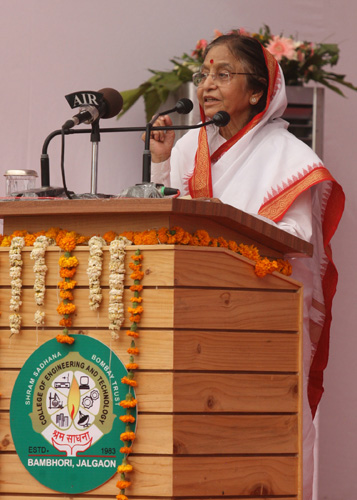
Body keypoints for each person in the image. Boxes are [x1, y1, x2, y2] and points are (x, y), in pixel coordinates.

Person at [147, 33, 345, 499]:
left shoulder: (289, 157)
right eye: (203, 74)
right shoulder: (186, 147)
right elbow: (168, 224)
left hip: (258, 329)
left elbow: (297, 243)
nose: (207, 85)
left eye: (222, 74)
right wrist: (159, 165)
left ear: (257, 92)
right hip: (191, 324)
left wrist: (225, 223)